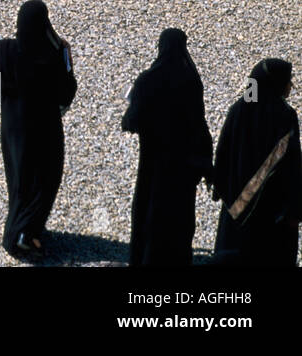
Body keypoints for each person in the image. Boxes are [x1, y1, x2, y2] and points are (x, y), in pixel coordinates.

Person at [0, 0, 77, 256]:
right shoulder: (51, 57)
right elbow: (67, 92)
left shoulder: (3, 49)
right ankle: (23, 234)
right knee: (44, 179)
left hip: (13, 129)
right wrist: (66, 56)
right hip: (44, 129)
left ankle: (23, 227)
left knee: (19, 178)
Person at [122, 28, 214, 266]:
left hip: (152, 162)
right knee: (178, 219)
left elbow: (130, 122)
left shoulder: (147, 80)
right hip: (182, 167)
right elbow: (199, 124)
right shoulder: (191, 81)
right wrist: (206, 164)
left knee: (148, 213)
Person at [211, 58, 301, 266]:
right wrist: (295, 208)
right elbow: (292, 165)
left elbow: (223, 152)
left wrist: (221, 186)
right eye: (288, 82)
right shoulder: (284, 115)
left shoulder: (238, 109)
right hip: (271, 208)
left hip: (236, 203)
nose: (290, 88)